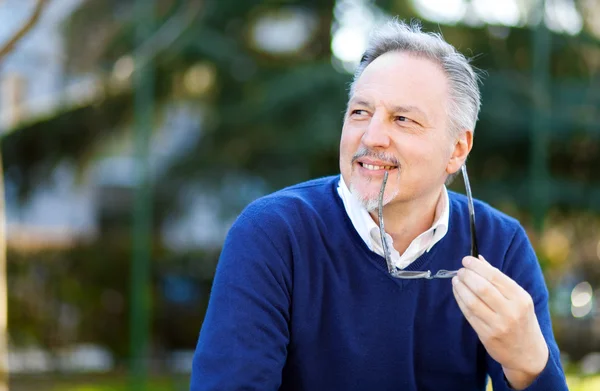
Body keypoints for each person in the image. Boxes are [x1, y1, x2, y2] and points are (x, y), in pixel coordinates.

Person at [190, 19, 568, 391]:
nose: (371, 136)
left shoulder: (499, 245)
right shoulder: (273, 234)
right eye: (360, 112)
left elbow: (535, 373)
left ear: (456, 151)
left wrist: (529, 363)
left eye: (402, 119)